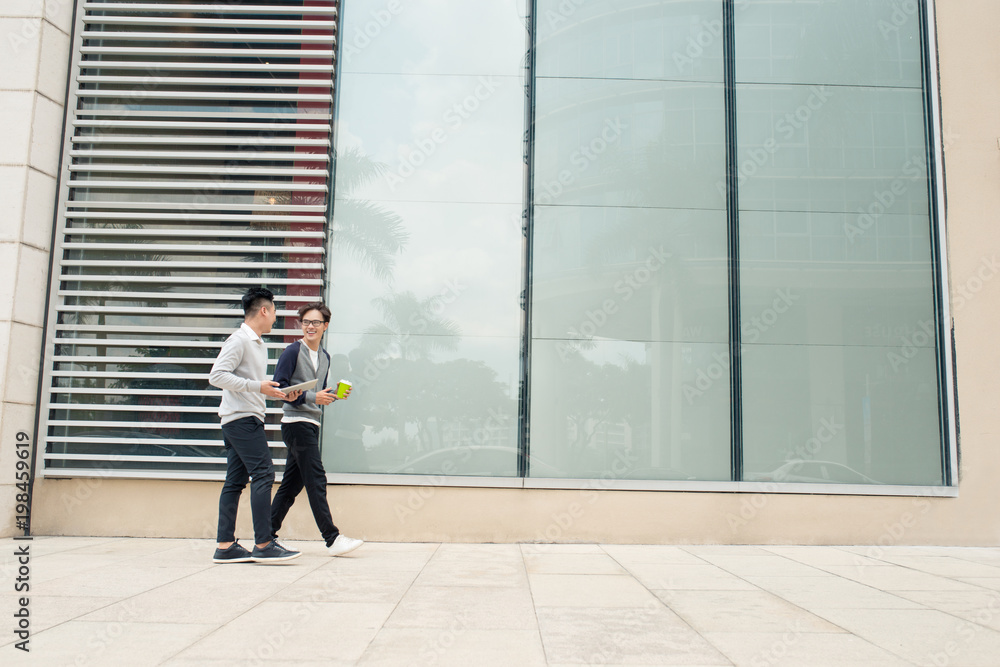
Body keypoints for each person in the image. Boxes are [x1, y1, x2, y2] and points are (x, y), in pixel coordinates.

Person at [208, 287, 302, 563]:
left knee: (235, 481)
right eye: (274, 311)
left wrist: (277, 392)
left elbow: (251, 385)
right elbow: (217, 376)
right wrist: (256, 386)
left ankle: (225, 546)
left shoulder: (258, 343)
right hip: (241, 419)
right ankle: (263, 543)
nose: (275, 317)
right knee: (263, 474)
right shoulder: (239, 340)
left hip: (243, 417)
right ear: (264, 310)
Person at [270, 302, 364, 557]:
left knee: (290, 486)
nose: (310, 327)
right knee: (316, 478)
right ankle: (332, 538)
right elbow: (281, 390)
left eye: (316, 322)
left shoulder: (325, 357)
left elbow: (316, 393)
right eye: (306, 322)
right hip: (294, 424)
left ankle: (265, 536)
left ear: (326, 326)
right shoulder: (292, 352)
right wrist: (313, 398)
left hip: (311, 424)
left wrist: (333, 395)